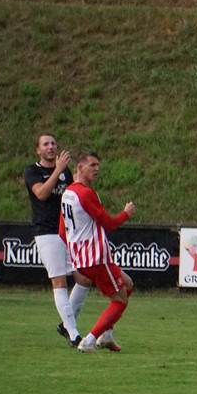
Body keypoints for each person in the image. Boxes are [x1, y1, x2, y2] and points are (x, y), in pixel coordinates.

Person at [60, 150, 136, 353]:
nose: (97, 169)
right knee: (119, 301)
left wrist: (75, 254)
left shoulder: (68, 193)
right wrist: (126, 213)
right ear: (80, 167)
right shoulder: (86, 194)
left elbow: (62, 231)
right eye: (92, 165)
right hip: (96, 258)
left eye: (98, 165)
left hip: (83, 259)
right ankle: (89, 340)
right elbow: (109, 224)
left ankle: (107, 334)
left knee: (128, 284)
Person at [24, 134, 91, 347]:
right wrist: (58, 170)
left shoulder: (65, 172)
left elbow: (71, 198)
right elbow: (41, 194)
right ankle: (74, 335)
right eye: (46, 144)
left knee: (85, 279)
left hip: (67, 233)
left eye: (53, 143)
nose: (51, 147)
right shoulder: (32, 171)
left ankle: (65, 325)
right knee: (59, 281)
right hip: (47, 233)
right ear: (38, 150)